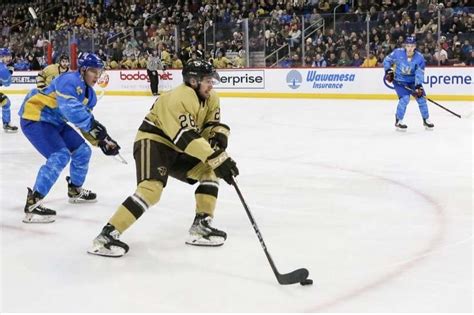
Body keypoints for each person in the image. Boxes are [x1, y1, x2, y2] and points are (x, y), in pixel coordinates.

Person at [88, 60, 239, 257]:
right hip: (153, 142)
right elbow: (186, 138)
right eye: (208, 81)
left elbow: (210, 126)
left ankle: (201, 226)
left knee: (209, 171)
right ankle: (105, 237)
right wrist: (217, 158)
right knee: (151, 190)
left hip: (178, 147)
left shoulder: (211, 97)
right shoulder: (177, 98)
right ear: (193, 81)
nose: (212, 85)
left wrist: (218, 139)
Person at [18, 53, 122, 224]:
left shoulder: (91, 95)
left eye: (99, 71)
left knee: (83, 151)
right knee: (60, 155)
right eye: (93, 71)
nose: (97, 75)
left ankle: (75, 190)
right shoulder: (69, 80)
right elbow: (71, 110)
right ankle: (33, 203)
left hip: (55, 122)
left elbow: (84, 122)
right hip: (35, 117)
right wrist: (98, 130)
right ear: (82, 70)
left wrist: (103, 140)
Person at [383, 36, 434, 131]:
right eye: (408, 46)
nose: (410, 48)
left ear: (415, 46)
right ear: (405, 46)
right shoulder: (397, 53)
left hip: (413, 82)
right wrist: (388, 71)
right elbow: (387, 60)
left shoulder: (419, 58)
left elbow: (419, 72)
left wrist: (418, 86)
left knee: (421, 99)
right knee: (405, 99)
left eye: (412, 46)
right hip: (400, 81)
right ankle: (398, 121)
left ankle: (426, 119)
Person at [0, 48, 18, 133]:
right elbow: (7, 83)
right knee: (6, 103)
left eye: (9, 56)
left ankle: (6, 123)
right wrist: (10, 70)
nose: (9, 58)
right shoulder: (2, 68)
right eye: (6, 56)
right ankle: (6, 124)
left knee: (5, 102)